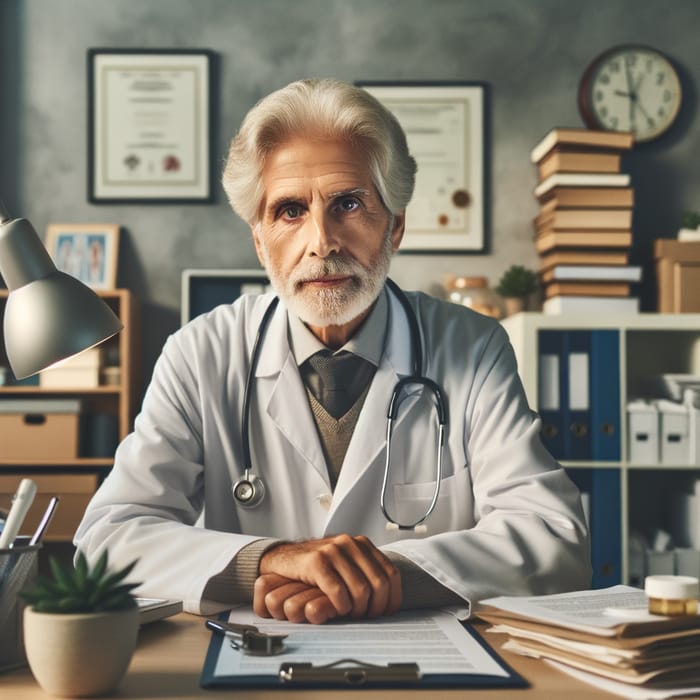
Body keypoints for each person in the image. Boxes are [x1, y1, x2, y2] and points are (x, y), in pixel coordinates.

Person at [74, 78, 591, 624]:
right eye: (290, 211)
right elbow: (108, 541)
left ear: (395, 226)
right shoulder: (201, 353)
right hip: (259, 656)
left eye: (347, 203)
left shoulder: (474, 345)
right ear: (258, 239)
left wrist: (383, 579)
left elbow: (553, 537)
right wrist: (270, 561)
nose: (321, 241)